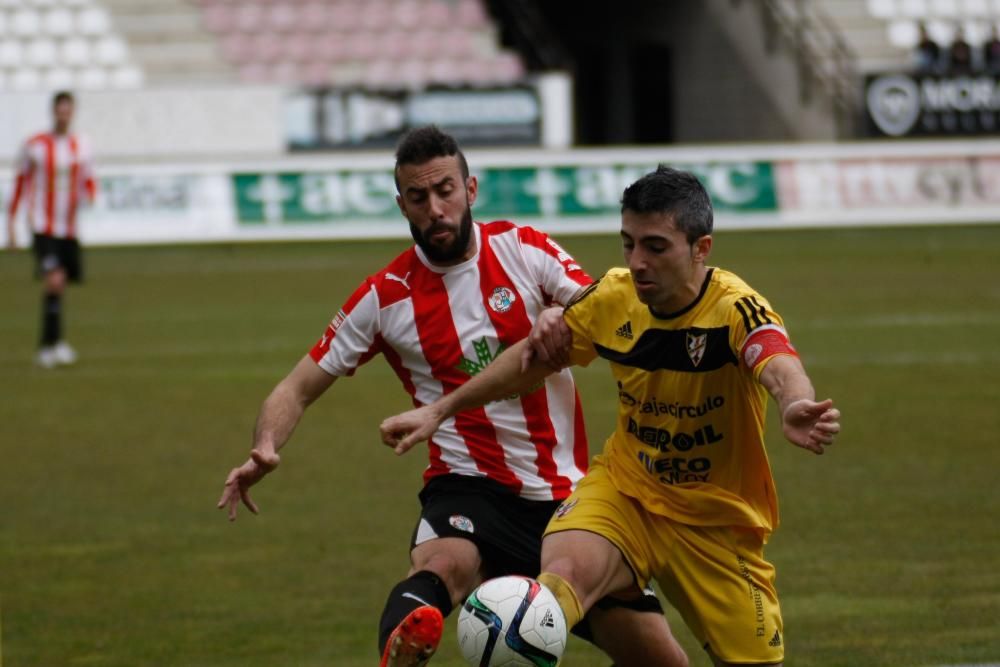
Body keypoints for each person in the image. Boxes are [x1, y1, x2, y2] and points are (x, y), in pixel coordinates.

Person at [217, 127, 687, 667]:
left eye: (445, 190)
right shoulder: (385, 296)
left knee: (663, 660)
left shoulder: (525, 248)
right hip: (467, 486)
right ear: (402, 206)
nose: (435, 208)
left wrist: (562, 311)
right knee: (441, 567)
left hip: (567, 499)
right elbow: (297, 386)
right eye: (418, 198)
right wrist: (266, 445)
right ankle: (404, 647)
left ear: (471, 189)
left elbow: (598, 305)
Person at [381, 165, 842, 666]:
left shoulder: (735, 308)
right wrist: (441, 410)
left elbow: (776, 359)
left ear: (700, 249)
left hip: (716, 523)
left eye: (655, 247)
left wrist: (794, 402)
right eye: (628, 244)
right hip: (625, 494)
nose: (637, 262)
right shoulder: (614, 299)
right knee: (556, 586)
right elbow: (527, 363)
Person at [6, 90, 96, 369]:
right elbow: (21, 181)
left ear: (73, 112)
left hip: (69, 227)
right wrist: (11, 222)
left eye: (68, 110)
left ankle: (57, 343)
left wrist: (90, 196)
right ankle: (45, 347)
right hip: (43, 224)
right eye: (60, 109)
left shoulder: (82, 145)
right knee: (53, 280)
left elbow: (89, 179)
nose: (64, 114)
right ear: (53, 111)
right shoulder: (36, 145)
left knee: (60, 286)